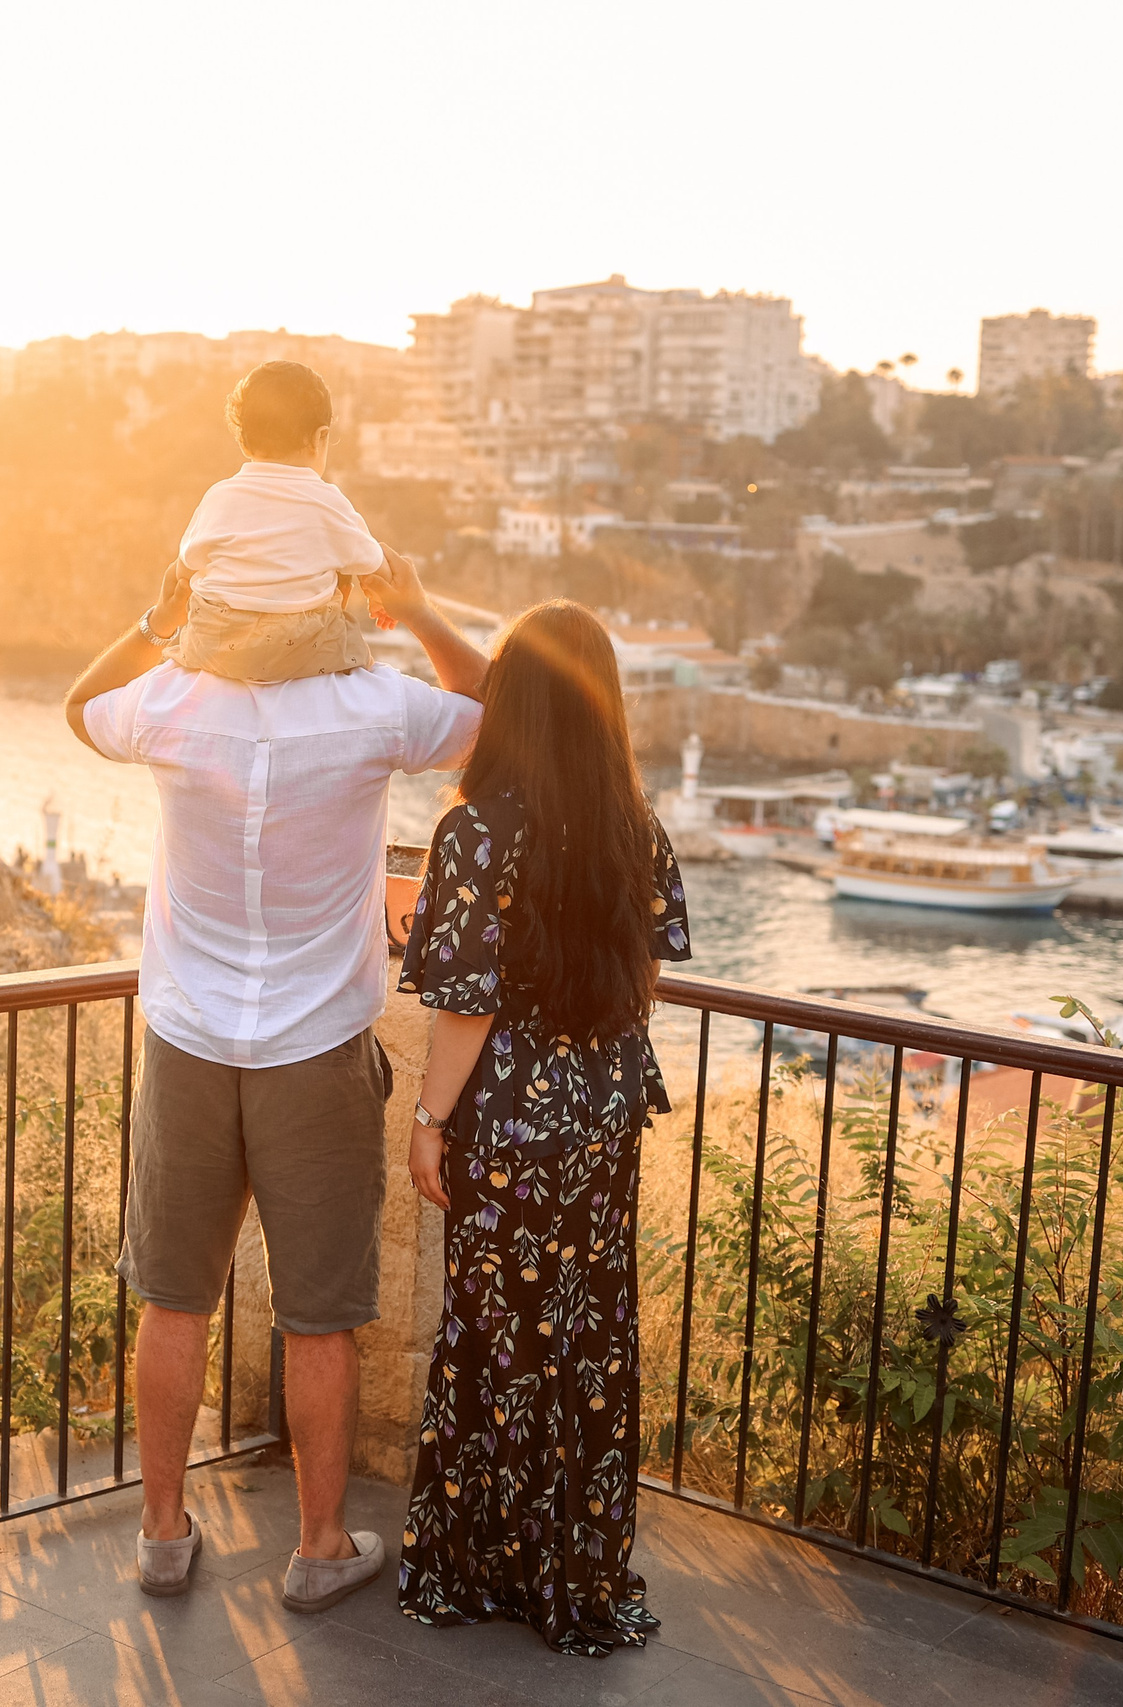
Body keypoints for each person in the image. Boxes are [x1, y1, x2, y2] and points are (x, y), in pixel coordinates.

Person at [64, 544, 487, 1613]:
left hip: (190, 1045)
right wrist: (417, 608)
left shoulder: (171, 700)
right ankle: (319, 1548)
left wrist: (157, 620)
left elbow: (79, 707)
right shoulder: (374, 708)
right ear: (331, 601)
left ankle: (163, 1535)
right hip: (315, 1050)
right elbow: (498, 715)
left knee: (173, 1299)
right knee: (320, 1318)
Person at [394, 599, 692, 1656]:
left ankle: (483, 1563)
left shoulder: (478, 831)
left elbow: (465, 1003)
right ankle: (577, 1565)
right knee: (587, 1338)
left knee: (496, 1340)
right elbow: (644, 973)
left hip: (512, 1129)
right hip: (603, 1119)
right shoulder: (632, 827)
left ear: (510, 701)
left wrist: (427, 1120)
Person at [169, 360, 387, 684]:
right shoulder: (329, 501)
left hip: (214, 648)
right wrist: (379, 599)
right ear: (321, 436)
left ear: (243, 440)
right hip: (304, 652)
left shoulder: (218, 496)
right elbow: (376, 565)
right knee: (362, 658)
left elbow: (184, 569)